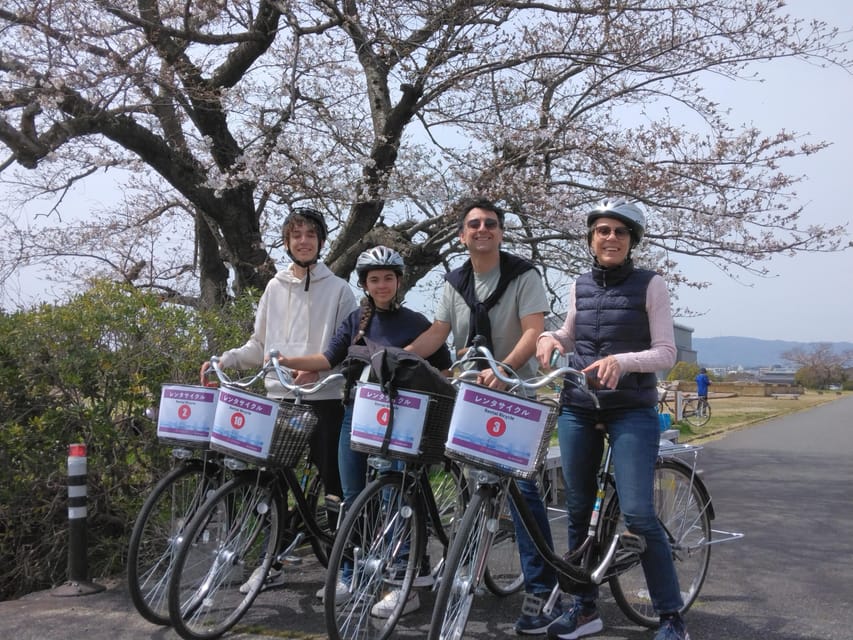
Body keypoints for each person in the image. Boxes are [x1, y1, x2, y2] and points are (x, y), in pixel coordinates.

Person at [406, 196, 562, 635]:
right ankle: (465, 566)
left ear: (500, 232)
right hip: (470, 395)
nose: (482, 229)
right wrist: (399, 356)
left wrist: (507, 368)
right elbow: (438, 332)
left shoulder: (522, 274)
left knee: (524, 495)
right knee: (475, 486)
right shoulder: (453, 281)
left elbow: (534, 329)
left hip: (516, 394)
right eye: (473, 224)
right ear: (462, 235)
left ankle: (540, 589)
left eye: (490, 223)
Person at [535, 199, 688, 640]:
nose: (610, 238)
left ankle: (671, 615)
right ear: (590, 239)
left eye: (620, 232)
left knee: (639, 513)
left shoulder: (650, 284)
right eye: (602, 230)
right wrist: (550, 337)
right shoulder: (580, 283)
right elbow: (571, 332)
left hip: (631, 410)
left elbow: (666, 352)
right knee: (578, 511)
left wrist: (623, 361)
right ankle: (584, 608)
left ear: (631, 241)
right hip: (580, 407)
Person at [274, 245, 452, 616]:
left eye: (389, 278)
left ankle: (403, 581)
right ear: (366, 284)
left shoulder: (418, 323)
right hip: (357, 414)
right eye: (375, 279)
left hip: (402, 421)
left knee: (394, 498)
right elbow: (327, 358)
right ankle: (349, 572)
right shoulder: (356, 319)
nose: (382, 284)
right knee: (351, 497)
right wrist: (284, 359)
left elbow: (443, 370)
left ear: (399, 282)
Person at [199, 207, 358, 592]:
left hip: (324, 398)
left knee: (334, 482)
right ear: (287, 242)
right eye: (295, 235)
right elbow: (260, 345)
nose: (303, 241)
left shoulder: (340, 289)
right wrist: (226, 359)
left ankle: (346, 566)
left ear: (321, 240)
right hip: (279, 398)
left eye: (310, 234)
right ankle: (271, 561)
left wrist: (319, 370)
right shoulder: (275, 286)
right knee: (268, 484)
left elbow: (352, 349)